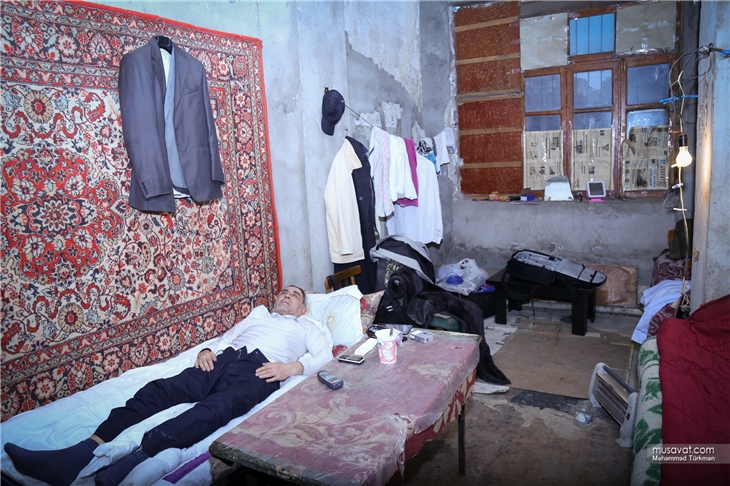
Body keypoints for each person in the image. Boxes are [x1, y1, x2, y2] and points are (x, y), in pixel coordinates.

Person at [5, 286, 332, 486]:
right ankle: (80, 452)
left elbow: (324, 357)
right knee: (158, 390)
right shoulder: (257, 318)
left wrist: (292, 367)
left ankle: (129, 463)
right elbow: (226, 338)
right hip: (222, 360)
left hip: (259, 370)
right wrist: (207, 350)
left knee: (214, 410)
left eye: (294, 295)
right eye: (283, 292)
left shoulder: (308, 327)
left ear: (303, 308)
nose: (286, 296)